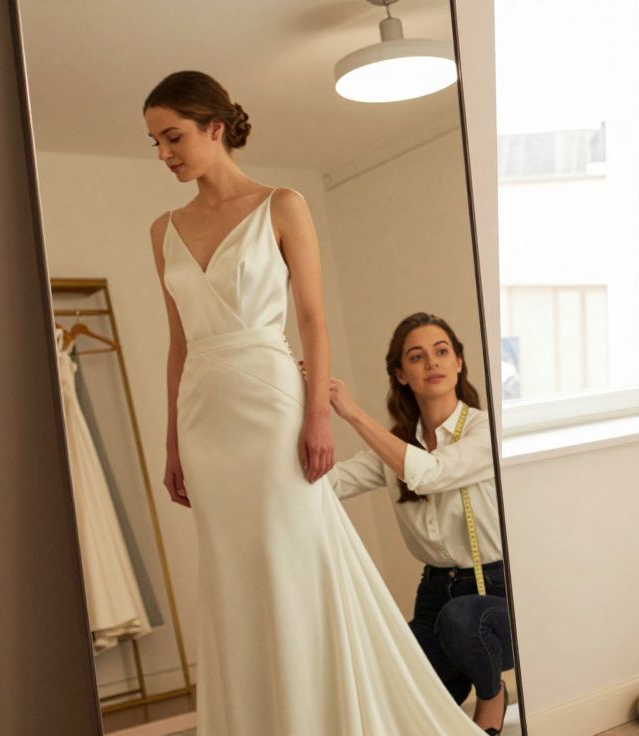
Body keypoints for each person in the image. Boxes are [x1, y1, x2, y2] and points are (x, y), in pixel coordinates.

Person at [147, 70, 484, 735]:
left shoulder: (282, 204)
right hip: (203, 417)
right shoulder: (161, 229)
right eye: (155, 143)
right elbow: (178, 342)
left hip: (271, 406)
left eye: (174, 136)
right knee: (232, 576)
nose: (164, 154)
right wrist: (171, 441)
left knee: (290, 559)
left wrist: (318, 415)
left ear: (216, 128)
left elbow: (313, 322)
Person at [326, 313, 513, 735]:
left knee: (462, 620)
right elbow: (329, 483)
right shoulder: (395, 448)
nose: (432, 363)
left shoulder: (486, 431)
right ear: (401, 375)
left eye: (442, 351)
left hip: (498, 592)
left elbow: (429, 472)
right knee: (403, 690)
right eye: (417, 356)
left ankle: (491, 694)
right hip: (433, 592)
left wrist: (352, 413)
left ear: (459, 363)